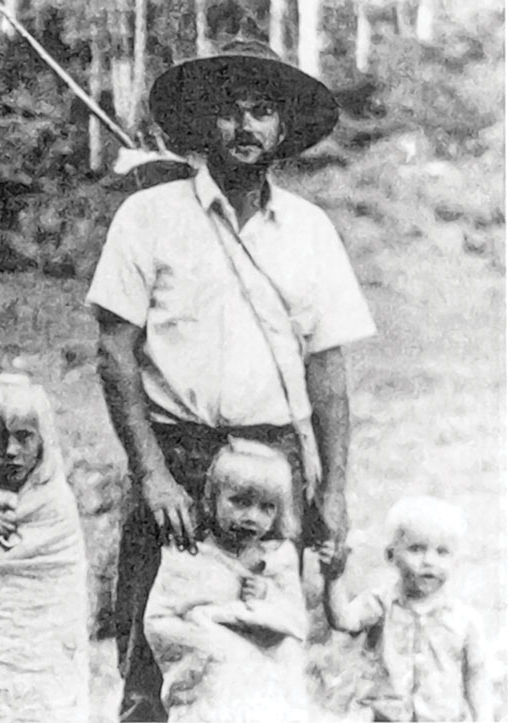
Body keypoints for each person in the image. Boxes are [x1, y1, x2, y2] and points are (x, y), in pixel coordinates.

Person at [86, 32, 378, 720]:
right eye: (231, 110)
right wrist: (152, 474)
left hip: (271, 470)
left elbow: (327, 370)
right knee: (156, 656)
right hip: (178, 463)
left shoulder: (308, 230)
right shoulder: (149, 217)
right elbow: (114, 353)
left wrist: (334, 490)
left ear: (283, 127)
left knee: (261, 663)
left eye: (263, 112)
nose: (246, 127)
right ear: (202, 122)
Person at [0, 375, 91, 723]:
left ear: (42, 442)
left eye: (23, 437)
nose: (9, 451)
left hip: (44, 660)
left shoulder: (56, 507)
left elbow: (65, 598)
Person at [144, 438, 307, 723]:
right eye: (240, 502)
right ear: (212, 499)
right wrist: (209, 631)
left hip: (265, 694)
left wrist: (267, 600)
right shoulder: (191, 556)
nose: (251, 518)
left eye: (266, 507)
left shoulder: (279, 559)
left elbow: (295, 624)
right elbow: (160, 621)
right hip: (211, 690)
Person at [318, 496, 492, 721]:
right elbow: (342, 620)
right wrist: (333, 577)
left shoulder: (465, 620)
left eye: (442, 552)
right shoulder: (381, 603)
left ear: (455, 559)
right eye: (416, 549)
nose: (429, 561)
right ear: (391, 555)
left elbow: (476, 677)